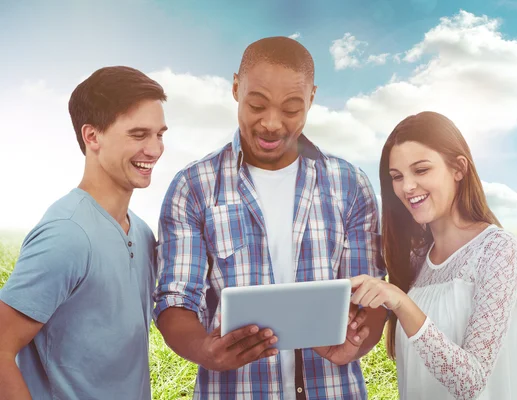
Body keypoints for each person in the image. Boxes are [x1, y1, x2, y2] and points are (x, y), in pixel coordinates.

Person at [153, 36, 388, 399]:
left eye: (291, 109)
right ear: (236, 88)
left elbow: (371, 296)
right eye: (257, 105)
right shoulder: (194, 187)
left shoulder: (350, 185)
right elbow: (175, 300)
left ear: (311, 98)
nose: (272, 124)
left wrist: (357, 345)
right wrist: (204, 350)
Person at [0, 66, 168, 400]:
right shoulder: (67, 235)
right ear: (92, 136)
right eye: (138, 135)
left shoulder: (143, 233)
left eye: (159, 134)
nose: (154, 149)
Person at [350, 111, 517, 399]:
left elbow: (470, 382)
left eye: (421, 170)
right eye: (397, 176)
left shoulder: (498, 250)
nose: (407, 187)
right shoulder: (415, 260)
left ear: (458, 169)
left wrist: (402, 303)